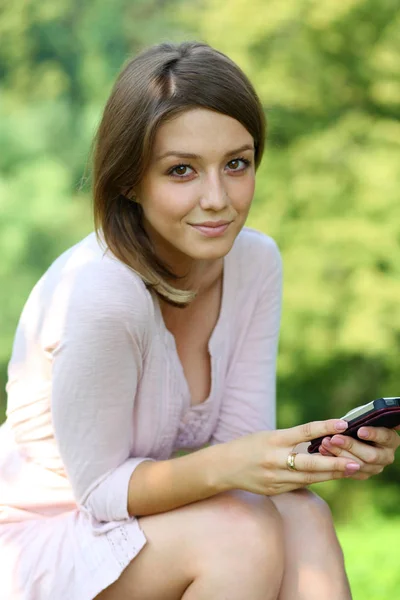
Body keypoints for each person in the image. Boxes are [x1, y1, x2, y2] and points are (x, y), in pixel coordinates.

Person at [0, 40, 399, 600]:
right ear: (129, 181)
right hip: (40, 541)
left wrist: (323, 453)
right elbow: (101, 493)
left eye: (236, 164)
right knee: (238, 533)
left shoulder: (256, 262)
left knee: (301, 515)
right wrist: (230, 466)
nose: (218, 199)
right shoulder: (101, 292)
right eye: (181, 170)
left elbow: (244, 446)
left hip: (154, 529)